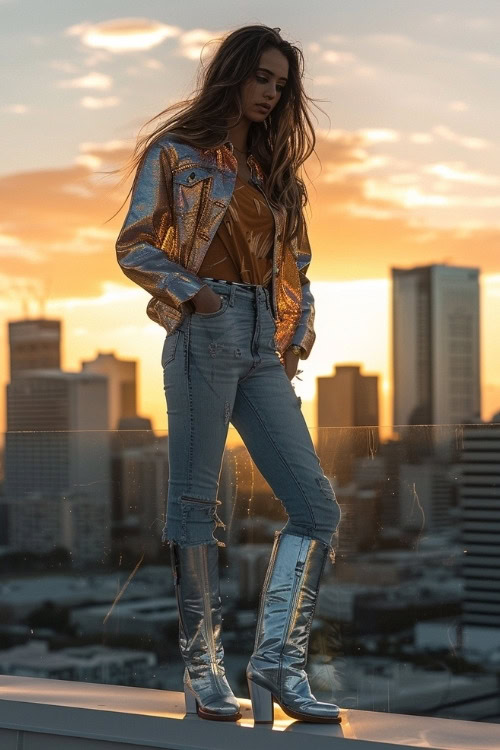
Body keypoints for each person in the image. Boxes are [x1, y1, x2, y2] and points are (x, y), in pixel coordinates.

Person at [114, 24, 342, 725]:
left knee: (317, 508)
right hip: (204, 330)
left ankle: (277, 661)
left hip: (261, 349)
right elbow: (134, 245)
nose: (271, 93)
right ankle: (204, 668)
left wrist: (294, 338)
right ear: (233, 75)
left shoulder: (279, 178)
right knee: (192, 506)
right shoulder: (177, 155)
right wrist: (196, 293)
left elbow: (298, 271)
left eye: (281, 84)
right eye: (262, 78)